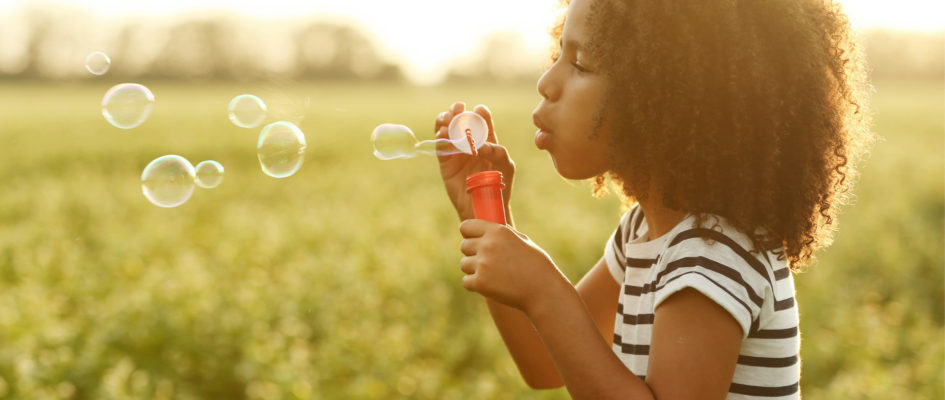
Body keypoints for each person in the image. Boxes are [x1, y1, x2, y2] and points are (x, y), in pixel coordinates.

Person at [432, 0, 873, 398]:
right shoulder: (643, 233)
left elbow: (555, 324)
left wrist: (547, 290)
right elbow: (543, 363)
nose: (547, 82)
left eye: (581, 64)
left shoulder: (712, 256)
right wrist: (488, 215)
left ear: (671, 95)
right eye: (558, 55)